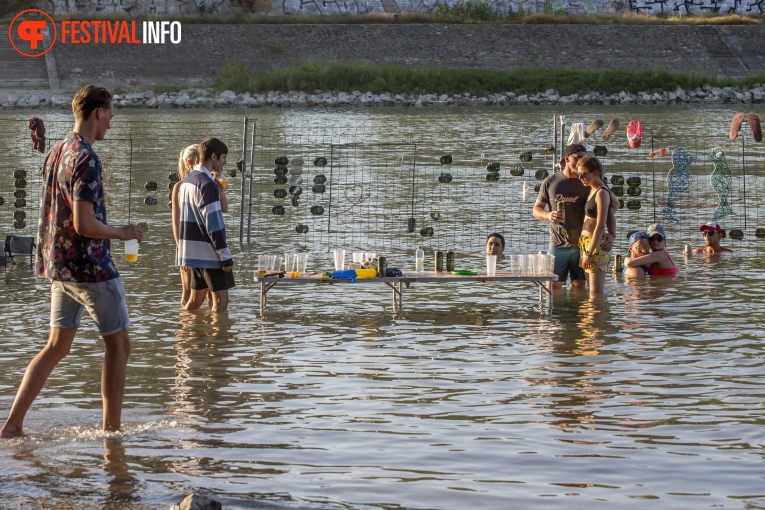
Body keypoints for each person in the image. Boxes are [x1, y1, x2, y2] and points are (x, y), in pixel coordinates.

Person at [1, 85, 143, 438]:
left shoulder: (58, 152)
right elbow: (84, 223)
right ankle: (112, 433)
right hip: (90, 268)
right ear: (98, 113)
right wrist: (123, 232)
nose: (111, 121)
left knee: (56, 346)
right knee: (119, 345)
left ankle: (12, 426)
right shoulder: (87, 158)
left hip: (58, 265)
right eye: (110, 114)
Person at [534, 144, 617, 289]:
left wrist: (612, 234)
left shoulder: (590, 181)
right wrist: (548, 215)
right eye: (578, 158)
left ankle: (577, 311)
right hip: (558, 243)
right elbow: (536, 209)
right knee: (552, 287)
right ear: (567, 159)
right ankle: (557, 311)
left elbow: (611, 207)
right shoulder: (551, 182)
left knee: (579, 286)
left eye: (584, 158)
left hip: (584, 243)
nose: (581, 161)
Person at [177, 137, 235, 312]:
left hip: (192, 252)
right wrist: (225, 255)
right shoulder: (207, 184)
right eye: (224, 157)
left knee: (195, 301)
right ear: (214, 156)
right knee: (221, 303)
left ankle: (184, 334)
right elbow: (214, 223)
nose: (224, 162)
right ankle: (218, 339)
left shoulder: (187, 180)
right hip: (209, 254)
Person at [576, 156, 613, 293]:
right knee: (590, 291)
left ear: (595, 173)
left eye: (583, 174)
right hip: (585, 243)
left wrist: (590, 252)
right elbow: (613, 207)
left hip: (595, 244)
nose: (580, 178)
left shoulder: (602, 192)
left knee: (595, 294)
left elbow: (601, 225)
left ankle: (598, 314)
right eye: (578, 174)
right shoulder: (592, 188)